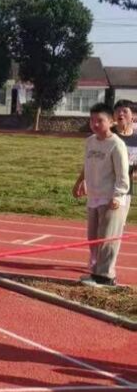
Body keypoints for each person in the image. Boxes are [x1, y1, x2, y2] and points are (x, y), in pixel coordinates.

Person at [72, 103, 129, 287]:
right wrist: (81, 181)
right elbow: (88, 165)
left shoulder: (116, 144)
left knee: (107, 237)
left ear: (111, 122)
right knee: (94, 238)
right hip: (94, 196)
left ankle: (106, 277)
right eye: (92, 120)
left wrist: (118, 196)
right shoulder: (90, 141)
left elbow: (122, 174)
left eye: (100, 121)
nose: (95, 124)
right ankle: (96, 272)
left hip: (111, 198)